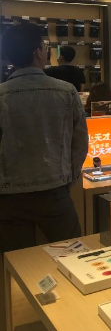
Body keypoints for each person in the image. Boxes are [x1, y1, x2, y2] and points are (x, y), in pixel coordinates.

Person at [0, 21, 88, 254]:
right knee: (73, 258)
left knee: (18, 264)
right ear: (37, 51)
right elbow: (80, 143)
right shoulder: (66, 91)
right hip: (55, 192)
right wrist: (68, 177)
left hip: (9, 198)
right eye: (44, 46)